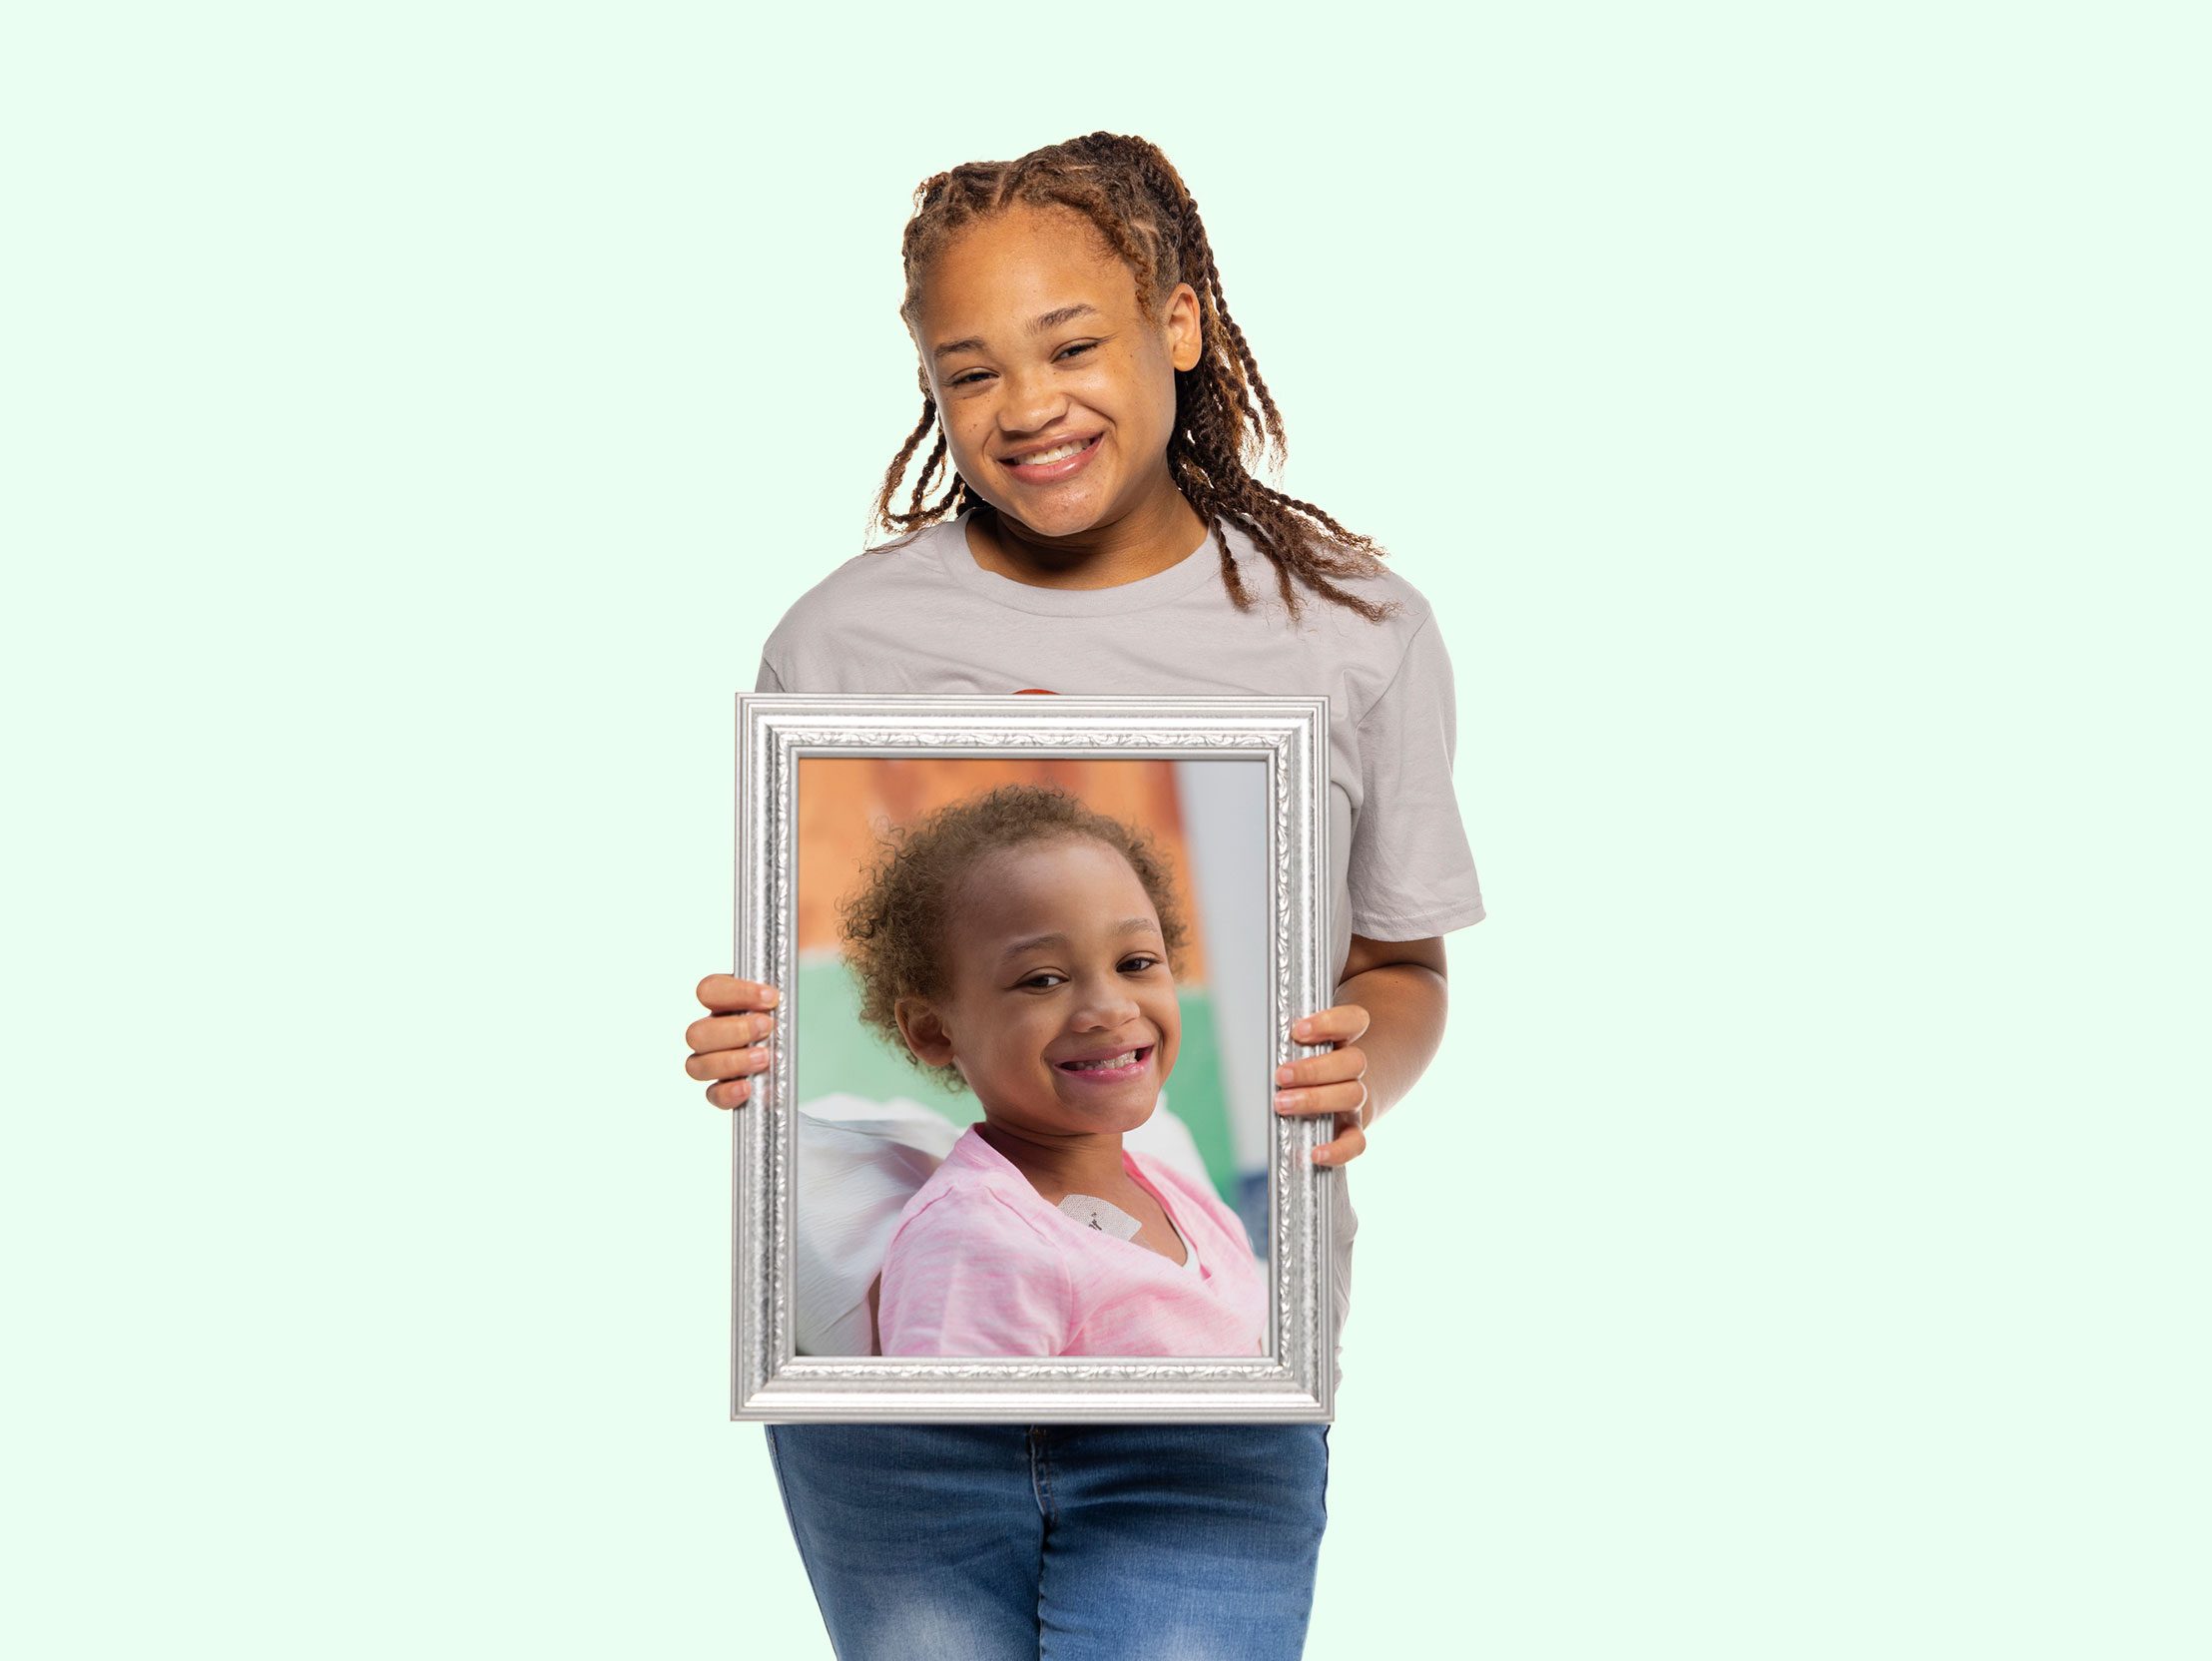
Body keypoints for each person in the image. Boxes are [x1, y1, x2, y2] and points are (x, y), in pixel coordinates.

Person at [683, 131, 1485, 1660]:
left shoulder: (1352, 632)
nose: (1028, 406)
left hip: (1218, 1408)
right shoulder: (841, 640)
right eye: (969, 372)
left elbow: (1405, 962)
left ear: (1177, 326)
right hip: (900, 1431)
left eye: (1073, 345)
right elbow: (838, 977)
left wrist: (1348, 1069)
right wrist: (757, 1046)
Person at [837, 782, 1269, 1359]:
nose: (1113, 1009)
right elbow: (953, 1447)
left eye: (1136, 963)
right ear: (932, 1029)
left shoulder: (1184, 1198)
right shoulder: (975, 1239)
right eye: (1043, 979)